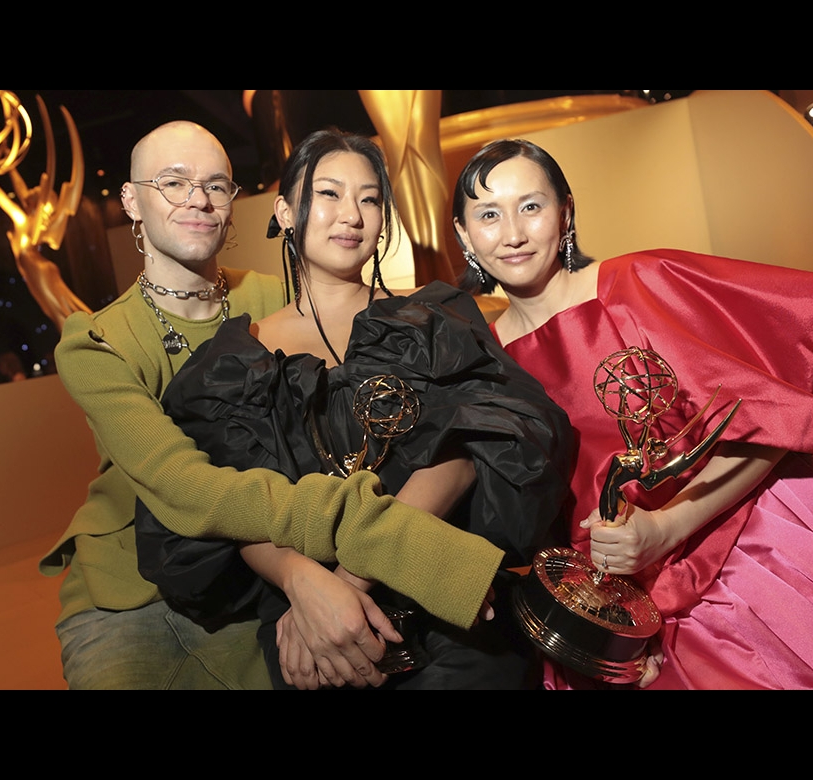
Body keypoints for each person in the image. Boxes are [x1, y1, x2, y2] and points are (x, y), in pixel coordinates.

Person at [38, 121, 510, 690]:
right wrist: (372, 544)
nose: (198, 199)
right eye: (173, 182)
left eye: (216, 184)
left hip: (264, 560)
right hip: (142, 575)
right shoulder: (96, 341)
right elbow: (190, 488)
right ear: (131, 201)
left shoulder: (278, 298)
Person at [134, 128, 573, 690]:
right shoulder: (229, 366)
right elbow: (227, 505)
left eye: (369, 199)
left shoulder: (436, 320)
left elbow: (478, 441)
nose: (353, 216)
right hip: (309, 625)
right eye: (330, 194)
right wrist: (302, 585)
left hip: (442, 602)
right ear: (285, 211)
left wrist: (348, 582)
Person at [452, 139, 813, 690]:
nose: (513, 233)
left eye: (531, 206)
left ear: (565, 213)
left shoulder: (642, 284)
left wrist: (666, 527)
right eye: (489, 214)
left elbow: (771, 420)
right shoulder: (484, 364)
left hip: (750, 553)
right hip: (619, 603)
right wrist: (616, 627)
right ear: (464, 234)